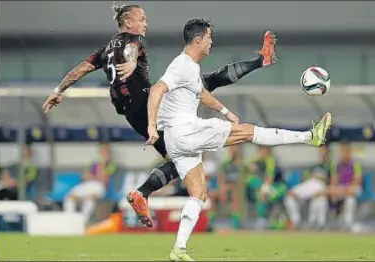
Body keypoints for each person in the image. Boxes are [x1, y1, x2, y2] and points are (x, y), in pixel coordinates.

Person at [42, 3, 278, 228]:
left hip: (131, 113)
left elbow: (80, 69)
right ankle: (261, 60)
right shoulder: (133, 39)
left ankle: (141, 193)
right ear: (128, 22)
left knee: (179, 159)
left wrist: (58, 90)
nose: (145, 24)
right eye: (141, 19)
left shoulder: (104, 51)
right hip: (147, 102)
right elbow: (132, 47)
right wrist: (133, 62)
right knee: (204, 82)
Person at [146, 18, 332, 260]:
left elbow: (202, 94)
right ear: (198, 39)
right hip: (185, 131)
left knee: (199, 194)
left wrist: (225, 112)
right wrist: (151, 125)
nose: (211, 42)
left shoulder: (190, 68)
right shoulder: (181, 66)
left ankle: (178, 249)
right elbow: (156, 89)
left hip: (176, 139)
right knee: (248, 132)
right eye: (209, 37)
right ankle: (310, 137)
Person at [63, 142, 117, 224]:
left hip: (100, 187)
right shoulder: (93, 164)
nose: (104, 153)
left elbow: (103, 179)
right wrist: (93, 176)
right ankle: (70, 220)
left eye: (106, 151)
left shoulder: (111, 165)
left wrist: (102, 164)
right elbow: (84, 176)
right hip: (88, 185)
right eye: (102, 150)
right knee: (69, 197)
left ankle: (83, 222)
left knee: (90, 199)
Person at [284, 144, 331, 230]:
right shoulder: (314, 166)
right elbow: (306, 180)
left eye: (324, 151)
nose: (322, 154)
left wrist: (322, 180)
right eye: (321, 151)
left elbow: (331, 182)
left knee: (320, 198)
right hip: (310, 185)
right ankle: (296, 220)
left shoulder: (331, 166)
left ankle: (319, 224)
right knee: (289, 196)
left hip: (321, 186)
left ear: (328, 153)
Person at [246, 146, 286, 229]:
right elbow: (249, 165)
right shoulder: (258, 159)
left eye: (264, 150)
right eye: (261, 150)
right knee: (258, 191)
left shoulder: (271, 160)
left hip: (279, 187)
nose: (262, 152)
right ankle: (264, 219)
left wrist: (263, 189)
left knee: (263, 194)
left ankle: (271, 220)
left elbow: (269, 178)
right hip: (269, 186)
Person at [328, 142, 362, 230]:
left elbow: (357, 181)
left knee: (350, 198)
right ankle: (332, 218)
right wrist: (338, 191)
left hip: (353, 188)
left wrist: (346, 190)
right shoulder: (335, 164)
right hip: (341, 189)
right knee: (331, 193)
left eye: (345, 152)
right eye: (341, 152)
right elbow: (333, 182)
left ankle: (348, 224)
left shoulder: (355, 164)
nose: (343, 154)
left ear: (349, 153)